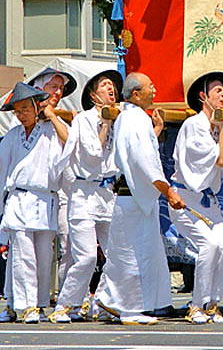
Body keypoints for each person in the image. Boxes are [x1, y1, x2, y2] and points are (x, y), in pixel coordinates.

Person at [95, 72, 185, 325]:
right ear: (136, 93)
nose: (154, 90)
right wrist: (168, 191)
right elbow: (144, 162)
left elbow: (140, 153)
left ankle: (124, 301)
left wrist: (155, 130)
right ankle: (125, 306)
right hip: (132, 197)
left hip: (134, 196)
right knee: (132, 253)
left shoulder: (132, 118)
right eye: (150, 86)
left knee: (141, 252)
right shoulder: (134, 119)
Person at [49, 70, 123, 323]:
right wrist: (105, 125)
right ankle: (66, 304)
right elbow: (93, 154)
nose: (111, 89)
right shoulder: (84, 120)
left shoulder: (118, 119)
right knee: (87, 256)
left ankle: (102, 301)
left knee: (116, 253)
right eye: (105, 85)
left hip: (107, 193)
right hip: (83, 193)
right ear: (93, 95)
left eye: (113, 86)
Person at [169, 71, 223, 324]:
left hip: (207, 201)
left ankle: (213, 302)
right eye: (218, 91)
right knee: (209, 246)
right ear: (203, 96)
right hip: (184, 199)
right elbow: (220, 158)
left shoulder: (217, 126)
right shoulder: (194, 125)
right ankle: (196, 305)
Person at [0, 82, 69, 323]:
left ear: (35, 107)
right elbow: (1, 174)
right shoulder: (12, 135)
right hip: (19, 200)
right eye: (16, 111)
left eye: (24, 109)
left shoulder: (52, 130)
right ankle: (23, 304)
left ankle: (37, 302)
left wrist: (51, 115)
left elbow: (70, 144)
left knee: (42, 256)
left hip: (45, 199)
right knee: (22, 255)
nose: (20, 115)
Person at [28, 68, 78, 296]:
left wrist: (52, 116)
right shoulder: (24, 118)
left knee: (70, 245)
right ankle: (29, 299)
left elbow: (68, 141)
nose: (58, 92)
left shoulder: (61, 121)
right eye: (53, 87)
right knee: (29, 252)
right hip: (31, 193)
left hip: (64, 193)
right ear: (40, 88)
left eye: (60, 88)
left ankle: (68, 296)